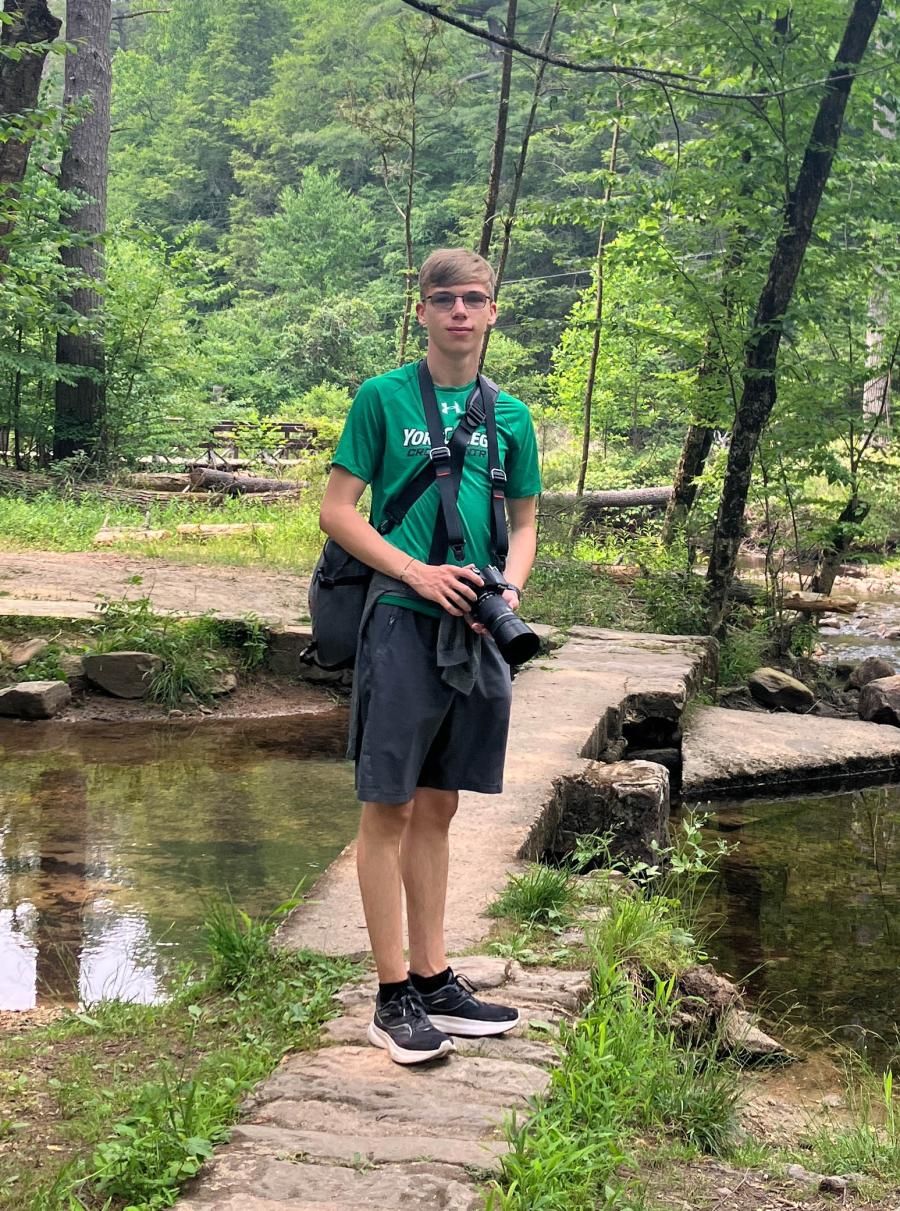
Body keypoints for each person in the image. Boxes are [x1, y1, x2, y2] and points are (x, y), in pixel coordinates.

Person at [319, 248, 541, 1065]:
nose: (458, 310)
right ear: (423, 312)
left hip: (478, 630)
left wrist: (508, 590)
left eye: (472, 298)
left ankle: (436, 975)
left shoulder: (510, 415)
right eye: (443, 298)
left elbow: (523, 522)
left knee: (440, 806)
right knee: (390, 809)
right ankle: (391, 997)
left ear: (492, 313)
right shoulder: (382, 399)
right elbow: (338, 511)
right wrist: (415, 570)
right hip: (402, 622)